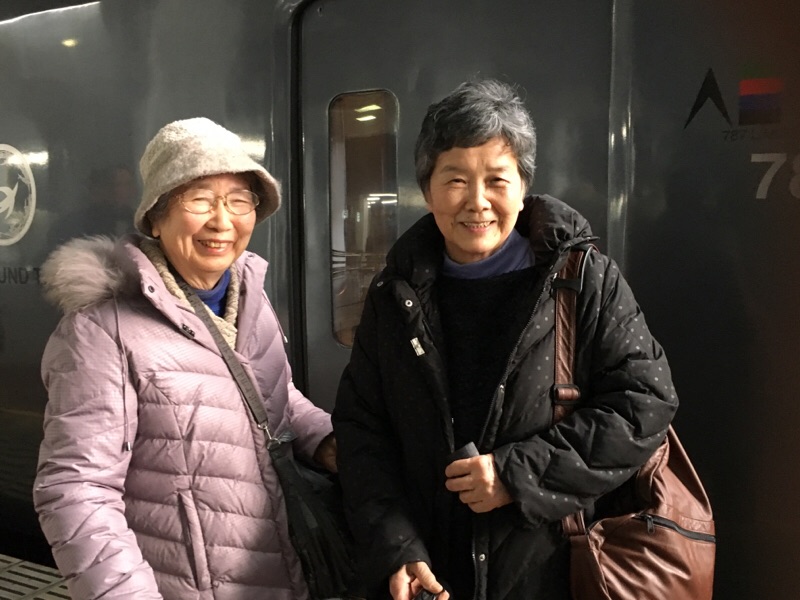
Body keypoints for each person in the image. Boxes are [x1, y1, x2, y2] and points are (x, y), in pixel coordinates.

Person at [332, 79, 678, 600]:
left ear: (523, 186)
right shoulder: (394, 296)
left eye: (497, 179)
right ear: (427, 190)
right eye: (455, 180)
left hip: (551, 571)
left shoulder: (583, 281)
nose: (477, 202)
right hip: (433, 575)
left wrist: (516, 476)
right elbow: (363, 432)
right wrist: (396, 547)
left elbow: (645, 403)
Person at [34, 117, 336, 599]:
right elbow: (77, 489)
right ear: (155, 217)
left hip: (283, 570)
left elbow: (271, 396)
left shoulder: (248, 297)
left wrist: (326, 441)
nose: (222, 221)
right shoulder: (101, 331)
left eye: (239, 200)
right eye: (199, 199)